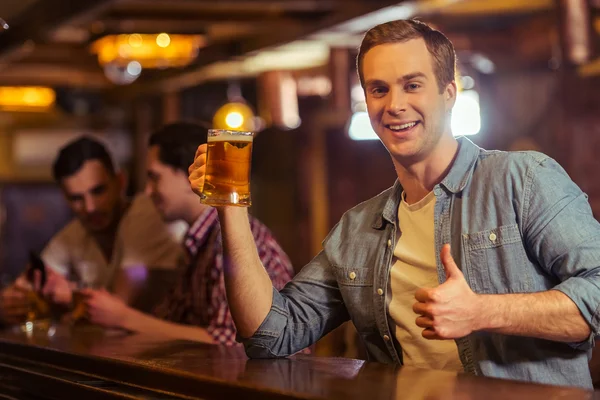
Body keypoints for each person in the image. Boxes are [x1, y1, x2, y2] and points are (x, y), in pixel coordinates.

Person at [188, 19, 600, 388]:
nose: (394, 104)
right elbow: (271, 335)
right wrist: (231, 205)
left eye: (413, 84)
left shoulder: (522, 179)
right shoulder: (359, 230)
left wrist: (481, 312)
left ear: (449, 92)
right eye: (378, 89)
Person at [82, 122, 295, 345]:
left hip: (272, 377)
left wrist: (123, 317)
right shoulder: (197, 241)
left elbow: (231, 342)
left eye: (155, 177)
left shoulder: (234, 240)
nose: (147, 191)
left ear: (190, 173)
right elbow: (170, 316)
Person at [0, 136, 184, 324]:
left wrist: (69, 295)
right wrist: (12, 301)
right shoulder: (74, 234)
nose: (90, 207)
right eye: (76, 198)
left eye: (98, 191)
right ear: (64, 198)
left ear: (120, 181)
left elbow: (116, 308)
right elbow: (31, 283)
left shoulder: (145, 213)